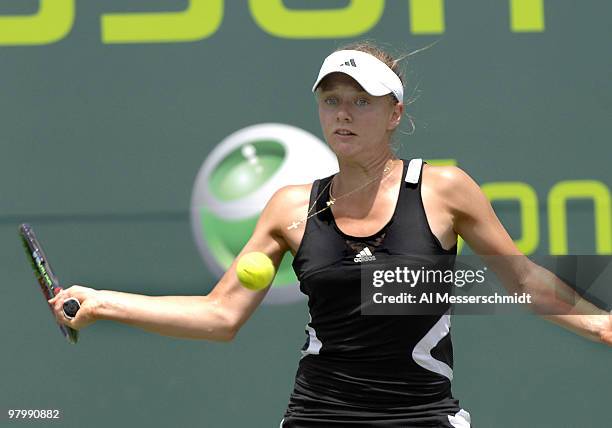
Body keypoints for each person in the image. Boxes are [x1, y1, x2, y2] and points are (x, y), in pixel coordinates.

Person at [49, 42, 612, 427]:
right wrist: (103, 302)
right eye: (332, 100)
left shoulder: (444, 189)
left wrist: (603, 323)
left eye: (360, 101)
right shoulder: (291, 206)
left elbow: (524, 281)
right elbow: (220, 317)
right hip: (317, 413)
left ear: (394, 113)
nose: (343, 114)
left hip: (422, 417)